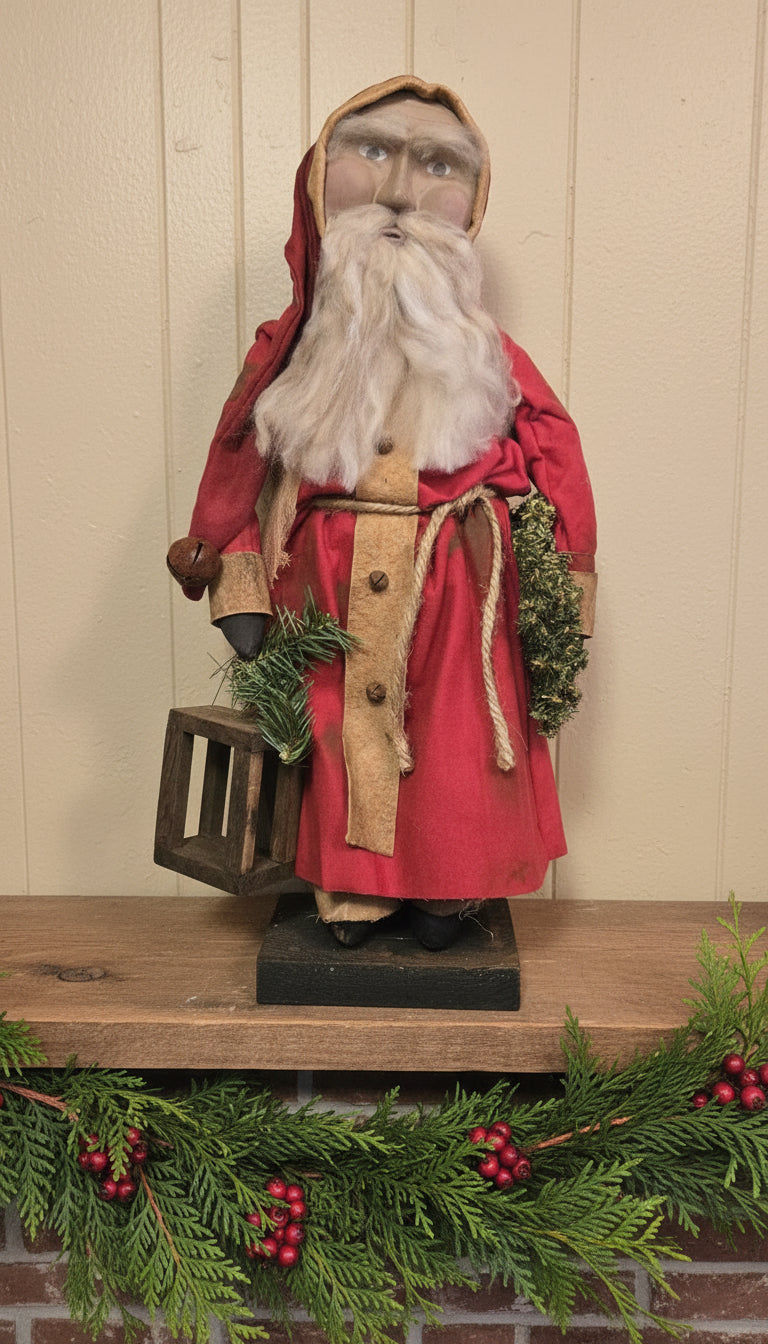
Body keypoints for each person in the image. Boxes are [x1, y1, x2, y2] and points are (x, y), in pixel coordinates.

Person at [168, 76, 597, 951]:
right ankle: (354, 888)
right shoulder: (289, 352)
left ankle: (451, 884)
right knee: (337, 732)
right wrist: (237, 583)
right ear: (321, 176)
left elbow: (557, 449)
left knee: (454, 749)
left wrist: (566, 588)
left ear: (469, 204)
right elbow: (237, 466)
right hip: (324, 587)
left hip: (460, 584)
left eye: (435, 164)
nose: (400, 189)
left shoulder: (489, 356)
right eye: (372, 153)